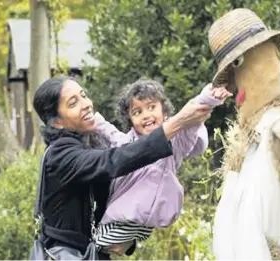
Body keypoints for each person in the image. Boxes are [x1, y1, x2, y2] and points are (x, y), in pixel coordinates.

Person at [32, 76, 214, 260]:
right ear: (57, 122)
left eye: (83, 95)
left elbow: (117, 195)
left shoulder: (92, 141)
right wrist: (176, 124)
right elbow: (113, 161)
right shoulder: (60, 155)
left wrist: (127, 237)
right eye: (73, 103)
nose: (86, 104)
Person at [91, 79, 232, 255]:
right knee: (99, 247)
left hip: (150, 219)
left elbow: (190, 121)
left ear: (164, 111)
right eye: (137, 112)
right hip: (121, 216)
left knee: (113, 248)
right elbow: (110, 133)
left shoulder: (175, 143)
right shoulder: (129, 142)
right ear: (130, 120)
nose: (146, 115)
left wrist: (209, 97)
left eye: (151, 107)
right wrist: (94, 120)